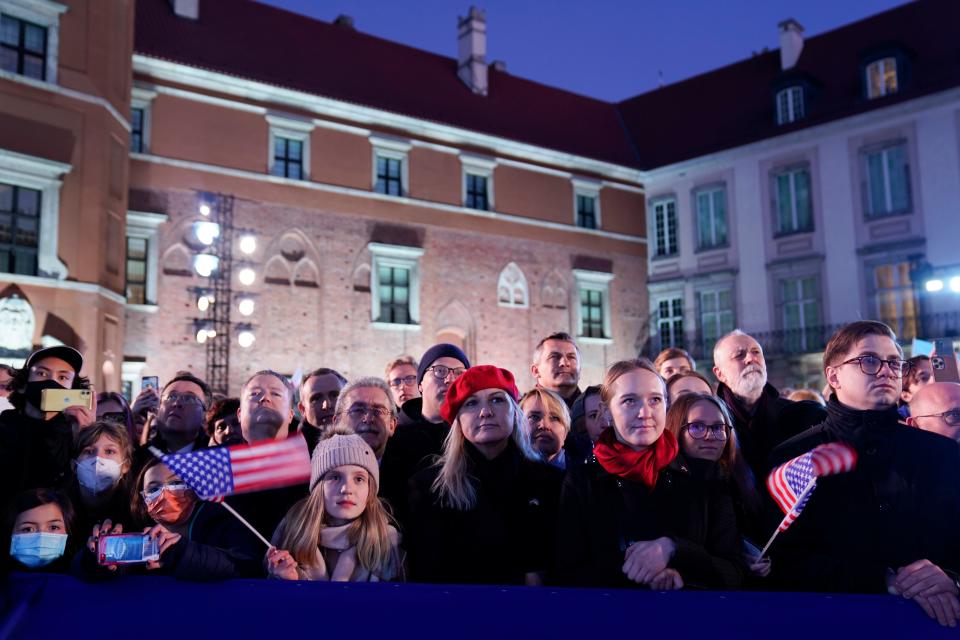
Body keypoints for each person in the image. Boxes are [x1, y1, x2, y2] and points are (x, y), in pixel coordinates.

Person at [770, 321, 960, 628]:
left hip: (936, 623)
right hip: (835, 624)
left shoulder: (943, 453)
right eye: (869, 360)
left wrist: (951, 579)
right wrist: (882, 580)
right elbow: (781, 561)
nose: (886, 370)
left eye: (894, 362)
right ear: (833, 375)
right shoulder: (794, 457)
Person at [556, 359, 743, 590]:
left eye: (654, 400)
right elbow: (566, 573)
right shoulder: (581, 481)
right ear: (607, 412)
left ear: (666, 406)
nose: (645, 413)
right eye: (629, 401)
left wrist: (673, 549)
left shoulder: (706, 476)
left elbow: (734, 571)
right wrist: (641, 574)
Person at [406, 365, 562, 585]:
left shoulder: (551, 482)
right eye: (471, 403)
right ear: (457, 420)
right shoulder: (429, 487)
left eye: (497, 400)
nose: (485, 411)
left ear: (514, 411)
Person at [80, 458, 263, 580]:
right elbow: (78, 571)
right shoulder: (132, 534)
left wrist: (179, 552)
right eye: (153, 488)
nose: (165, 492)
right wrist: (93, 561)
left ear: (194, 491)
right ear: (143, 501)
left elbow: (246, 565)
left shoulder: (223, 525)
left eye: (175, 483)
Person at [266, 430, 402, 581]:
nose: (347, 489)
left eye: (359, 479)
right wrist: (286, 582)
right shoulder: (292, 531)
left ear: (370, 488)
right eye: (335, 477)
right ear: (319, 486)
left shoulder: (387, 540)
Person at [664, 393, 767, 578]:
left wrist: (746, 558)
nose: (710, 436)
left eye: (718, 427)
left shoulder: (734, 481)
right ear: (676, 431)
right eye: (697, 427)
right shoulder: (664, 484)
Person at [712, 330, 825, 478]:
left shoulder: (801, 415)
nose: (751, 359)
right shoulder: (712, 424)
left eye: (756, 352)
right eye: (739, 355)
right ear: (720, 373)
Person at [0, 346, 95, 511]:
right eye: (42, 373)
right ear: (23, 385)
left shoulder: (76, 433)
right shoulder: (4, 428)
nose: (52, 382)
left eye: (63, 377)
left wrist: (86, 438)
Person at [225, 370, 307, 541]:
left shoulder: (314, 466)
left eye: (276, 394)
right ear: (239, 414)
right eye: (255, 394)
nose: (265, 398)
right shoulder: (218, 467)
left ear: (291, 414)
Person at [132, 372, 211, 474]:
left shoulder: (214, 458)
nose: (176, 403)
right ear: (158, 409)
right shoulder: (138, 459)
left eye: (189, 398)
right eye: (171, 397)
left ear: (205, 415)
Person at [68, 421, 135, 538]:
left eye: (109, 451)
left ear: (126, 466)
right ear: (74, 466)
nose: (98, 458)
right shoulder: (58, 509)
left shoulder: (135, 511)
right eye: (89, 451)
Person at [4, 488, 76, 573]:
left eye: (53, 527)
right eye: (28, 529)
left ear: (67, 530)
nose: (41, 536)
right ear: (10, 533)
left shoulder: (83, 581)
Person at [296, 368, 347, 455]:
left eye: (334, 396)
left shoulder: (367, 446)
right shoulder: (291, 456)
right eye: (316, 398)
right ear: (302, 409)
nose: (327, 405)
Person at [520, 388, 571, 469]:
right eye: (534, 417)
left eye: (555, 418)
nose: (544, 425)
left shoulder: (583, 476)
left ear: (566, 432)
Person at [530, 332, 582, 408]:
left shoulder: (598, 409)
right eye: (554, 357)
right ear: (536, 371)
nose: (565, 363)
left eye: (571, 357)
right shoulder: (519, 412)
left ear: (580, 370)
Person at [385, 355, 420, 424]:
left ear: (420, 382)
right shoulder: (386, 427)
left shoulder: (438, 418)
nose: (402, 387)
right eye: (396, 382)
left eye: (409, 379)